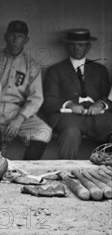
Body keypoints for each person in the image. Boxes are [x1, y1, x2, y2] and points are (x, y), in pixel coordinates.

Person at [42, 29, 112, 159]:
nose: (76, 48)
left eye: (81, 45)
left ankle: (108, 173)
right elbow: (48, 101)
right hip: (69, 117)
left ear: (88, 47)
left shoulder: (99, 70)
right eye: (72, 45)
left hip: (96, 117)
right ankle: (66, 173)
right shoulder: (55, 70)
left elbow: (109, 98)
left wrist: (101, 104)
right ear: (67, 46)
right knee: (71, 132)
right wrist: (69, 104)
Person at [0, 20, 52, 160]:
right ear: (5, 36)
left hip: (16, 111)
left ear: (26, 39)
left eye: (20, 36)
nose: (15, 40)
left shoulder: (31, 65)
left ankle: (27, 171)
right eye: (12, 35)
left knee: (44, 131)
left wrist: (19, 120)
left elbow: (36, 98)